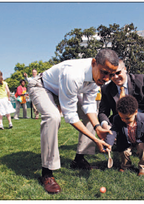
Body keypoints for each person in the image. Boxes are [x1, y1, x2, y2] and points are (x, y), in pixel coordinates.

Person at [27, 48, 119, 194]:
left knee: (90, 113)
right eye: (104, 72)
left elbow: (88, 105)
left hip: (63, 90)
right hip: (42, 86)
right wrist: (95, 139)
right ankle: (47, 173)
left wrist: (97, 127)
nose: (107, 78)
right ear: (94, 63)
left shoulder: (98, 78)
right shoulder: (73, 74)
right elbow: (70, 115)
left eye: (111, 74)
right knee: (53, 117)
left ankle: (79, 159)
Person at [99, 60, 144, 168]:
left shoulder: (140, 80)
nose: (115, 77)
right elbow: (103, 112)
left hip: (142, 116)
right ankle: (121, 146)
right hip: (121, 120)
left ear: (125, 69)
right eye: (112, 75)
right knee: (114, 120)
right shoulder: (106, 89)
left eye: (118, 73)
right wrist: (104, 124)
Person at [105, 95, 144, 176]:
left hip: (140, 140)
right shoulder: (116, 119)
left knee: (143, 151)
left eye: (127, 118)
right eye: (121, 118)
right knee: (124, 152)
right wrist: (109, 143)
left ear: (135, 112)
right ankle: (126, 165)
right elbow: (113, 131)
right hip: (125, 141)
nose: (123, 120)